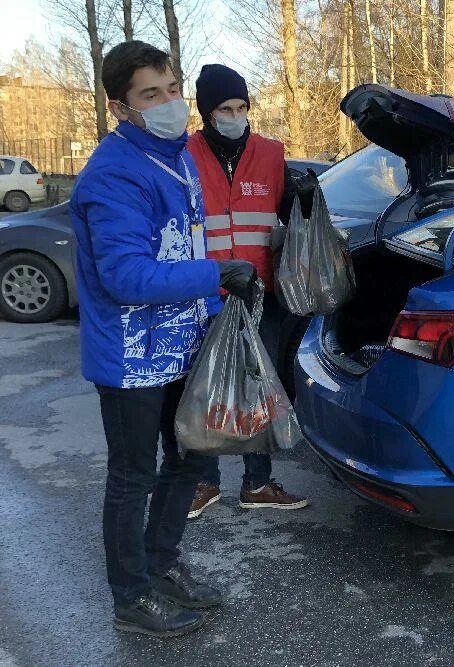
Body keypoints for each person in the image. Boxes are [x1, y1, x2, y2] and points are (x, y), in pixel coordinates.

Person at [71, 41, 259, 638]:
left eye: (172, 88)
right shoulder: (112, 173)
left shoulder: (176, 158)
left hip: (183, 343)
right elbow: (125, 276)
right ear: (122, 107)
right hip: (130, 357)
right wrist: (218, 272)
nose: (170, 102)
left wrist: (218, 301)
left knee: (192, 460)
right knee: (133, 476)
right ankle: (131, 595)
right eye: (150, 94)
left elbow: (187, 245)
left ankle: (162, 566)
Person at [185, 64, 311, 519]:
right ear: (206, 112)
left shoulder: (270, 154)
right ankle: (201, 481)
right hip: (205, 292)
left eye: (242, 107)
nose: (236, 116)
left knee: (260, 387)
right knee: (205, 387)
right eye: (225, 108)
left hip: (261, 294)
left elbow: (286, 219)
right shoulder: (185, 155)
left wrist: (306, 197)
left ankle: (257, 482)